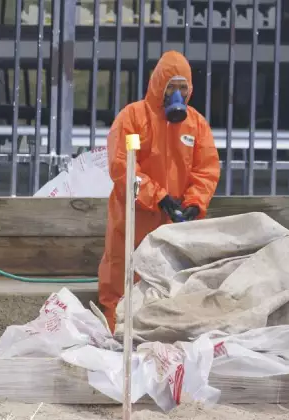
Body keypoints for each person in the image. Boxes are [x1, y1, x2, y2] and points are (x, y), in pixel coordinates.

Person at [98, 50, 221, 331]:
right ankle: (116, 333)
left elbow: (207, 169)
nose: (177, 93)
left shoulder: (196, 124)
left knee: (173, 284)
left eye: (182, 87)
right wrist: (158, 196)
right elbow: (122, 166)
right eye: (170, 86)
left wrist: (194, 202)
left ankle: (166, 336)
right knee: (122, 277)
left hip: (177, 224)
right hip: (134, 218)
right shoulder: (133, 117)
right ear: (158, 85)